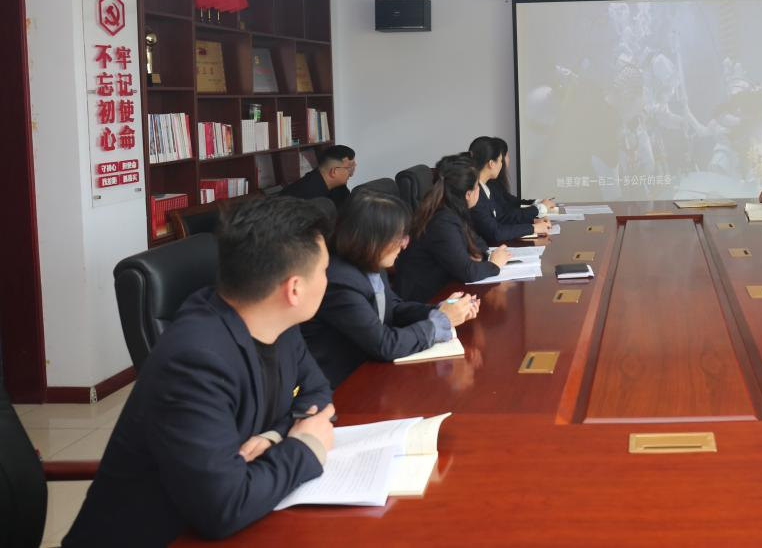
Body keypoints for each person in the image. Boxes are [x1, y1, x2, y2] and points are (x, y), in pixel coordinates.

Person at [63, 198, 337, 546]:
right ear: (294, 289)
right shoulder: (194, 360)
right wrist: (305, 447)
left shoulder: (280, 325)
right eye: (324, 270)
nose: (328, 279)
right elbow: (224, 507)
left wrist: (276, 436)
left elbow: (317, 394)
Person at [301, 189, 480, 388]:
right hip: (344, 386)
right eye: (399, 237)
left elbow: (393, 308)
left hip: (371, 372)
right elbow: (384, 344)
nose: (405, 244)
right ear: (372, 239)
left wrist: (439, 310)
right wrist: (441, 321)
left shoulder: (369, 263)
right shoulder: (340, 282)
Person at [396, 154, 511, 303]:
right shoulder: (442, 221)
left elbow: (479, 244)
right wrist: (494, 264)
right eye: (477, 187)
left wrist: (477, 256)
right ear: (468, 194)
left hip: (445, 290)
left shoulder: (452, 209)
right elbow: (468, 271)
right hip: (424, 301)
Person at [468, 136, 550, 244]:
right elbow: (496, 232)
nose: (502, 165)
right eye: (500, 160)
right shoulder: (475, 193)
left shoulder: (484, 188)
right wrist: (533, 228)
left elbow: (501, 219)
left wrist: (533, 223)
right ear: (491, 164)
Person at [487, 136, 555, 222]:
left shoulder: (495, 183)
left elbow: (513, 202)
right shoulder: (489, 185)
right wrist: (539, 209)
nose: (502, 163)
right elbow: (504, 217)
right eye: (506, 156)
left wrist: (537, 203)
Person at [281, 144, 356, 210]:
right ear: (334, 172)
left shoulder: (339, 187)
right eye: (350, 167)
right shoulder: (306, 198)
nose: (352, 173)